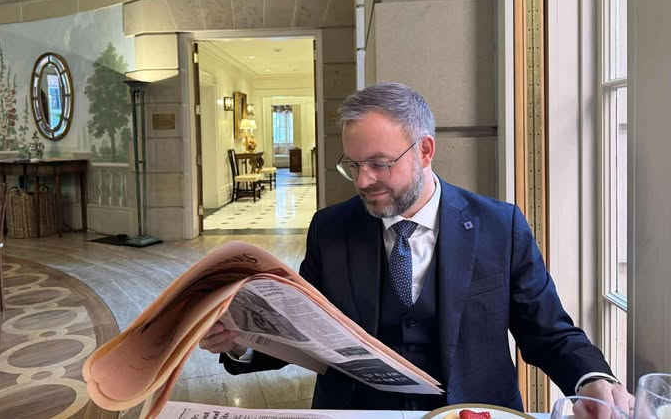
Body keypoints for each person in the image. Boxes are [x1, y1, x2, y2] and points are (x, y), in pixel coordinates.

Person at [200, 82, 634, 415]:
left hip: (472, 413)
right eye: (353, 165)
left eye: (379, 164)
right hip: (357, 413)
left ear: (425, 150)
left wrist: (591, 379)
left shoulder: (500, 226)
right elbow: (299, 330)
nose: (363, 181)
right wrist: (240, 340)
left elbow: (548, 331)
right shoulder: (330, 229)